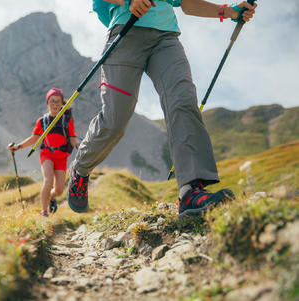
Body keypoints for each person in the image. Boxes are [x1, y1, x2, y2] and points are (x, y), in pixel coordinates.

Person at [67, 0, 256, 218]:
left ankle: (191, 191)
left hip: (166, 39)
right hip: (125, 31)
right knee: (114, 120)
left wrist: (230, 11)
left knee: (182, 102)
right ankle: (80, 168)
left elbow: (188, 4)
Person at [9, 88, 79, 217]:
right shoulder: (42, 121)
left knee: (58, 190)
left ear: (62, 104)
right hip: (47, 154)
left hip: (61, 156)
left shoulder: (67, 120)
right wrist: (18, 147)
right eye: (52, 101)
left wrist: (81, 146)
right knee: (48, 180)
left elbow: (73, 139)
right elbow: (33, 139)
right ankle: (44, 212)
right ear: (47, 103)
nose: (55, 104)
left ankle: (52, 197)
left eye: (58, 101)